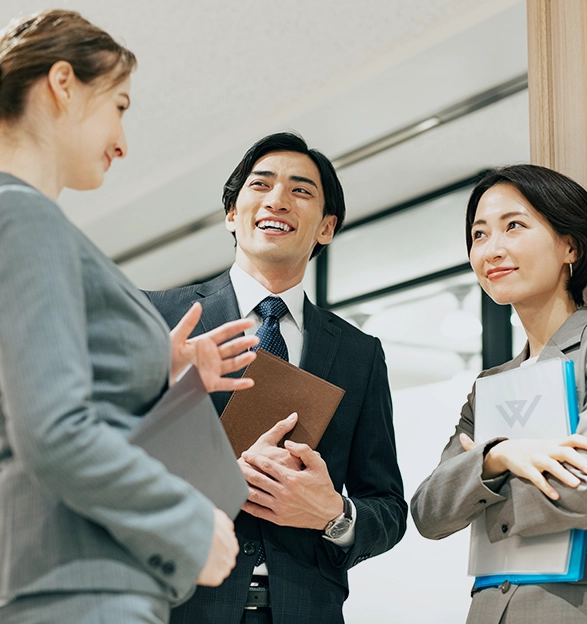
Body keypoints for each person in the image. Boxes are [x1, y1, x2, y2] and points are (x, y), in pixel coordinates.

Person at [0, 10, 260, 624]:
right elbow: (53, 432)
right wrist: (190, 520)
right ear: (63, 84)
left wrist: (151, 366)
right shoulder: (25, 217)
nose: (123, 141)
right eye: (119, 106)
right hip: (83, 584)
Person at [146, 132, 407, 624]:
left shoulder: (359, 354)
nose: (277, 200)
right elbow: (96, 455)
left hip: (304, 610)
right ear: (232, 213)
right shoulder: (158, 318)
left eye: (301, 190)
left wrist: (335, 514)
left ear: (326, 227)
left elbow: (388, 507)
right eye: (260, 185)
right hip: (175, 607)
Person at [411, 164, 587, 623]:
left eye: (513, 226)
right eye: (479, 235)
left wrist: (479, 489)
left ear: (569, 246)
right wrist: (499, 457)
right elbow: (429, 511)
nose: (491, 250)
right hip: (489, 609)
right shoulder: (489, 386)